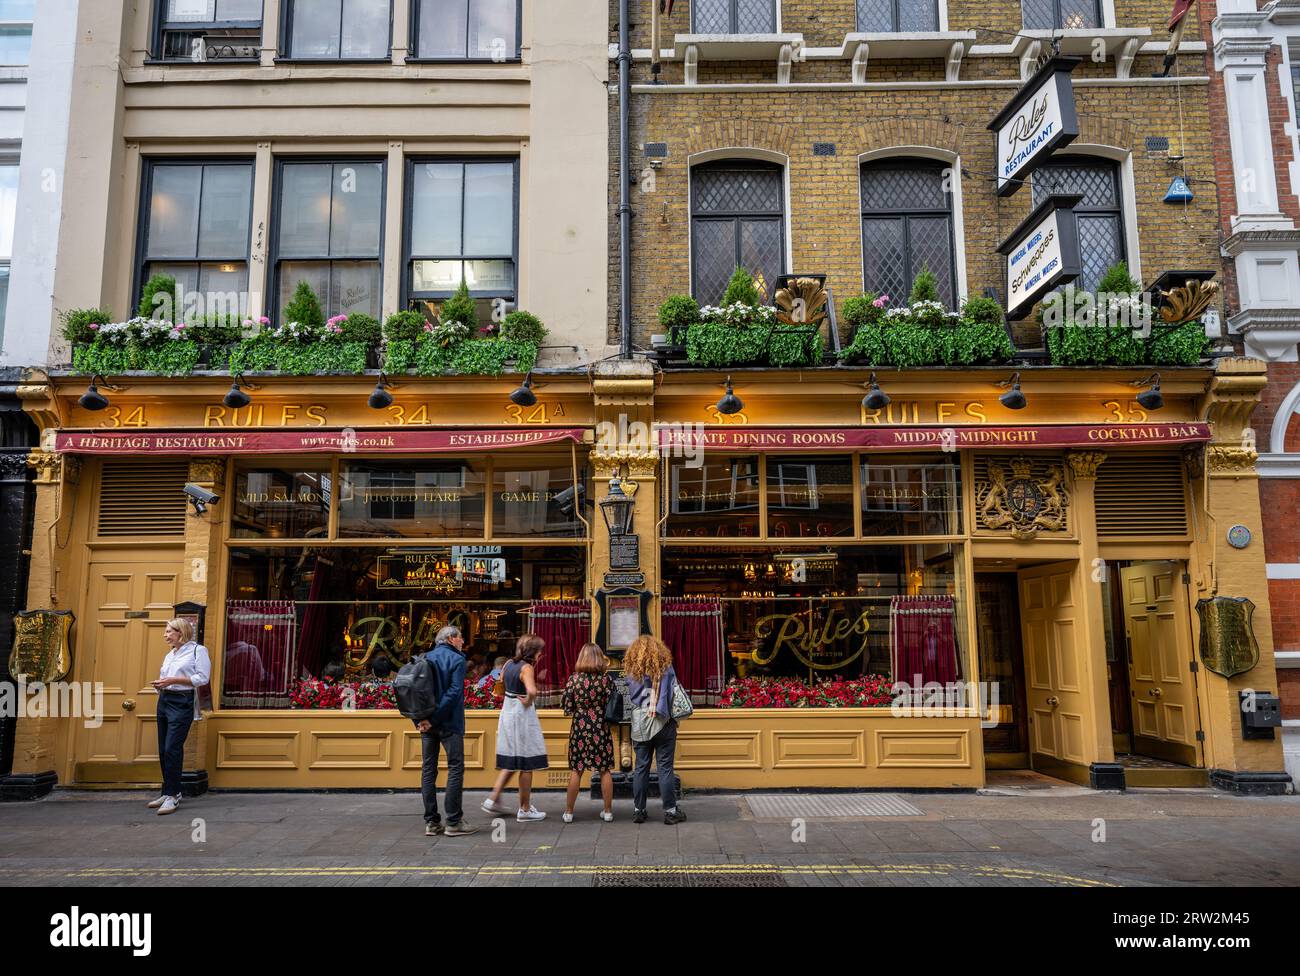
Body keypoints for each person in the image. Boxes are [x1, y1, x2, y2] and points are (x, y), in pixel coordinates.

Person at [415, 625, 479, 837]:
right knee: (455, 768)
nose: (463, 641)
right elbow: (453, 693)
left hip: (427, 723)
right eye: (461, 637)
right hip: (449, 723)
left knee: (428, 770)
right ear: (451, 638)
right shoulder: (457, 659)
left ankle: (432, 822)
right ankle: (453, 821)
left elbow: (414, 691)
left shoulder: (425, 657)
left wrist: (423, 720)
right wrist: (434, 719)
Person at [481, 632, 549, 822]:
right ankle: (525, 809)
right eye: (540, 651)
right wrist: (528, 701)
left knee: (512, 759)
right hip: (521, 717)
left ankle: (493, 799)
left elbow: (500, 686)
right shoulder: (527, 668)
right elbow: (532, 690)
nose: (541, 655)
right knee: (526, 762)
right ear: (534, 652)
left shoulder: (508, 663)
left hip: (507, 714)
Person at [148, 618, 211, 816]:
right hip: (165, 700)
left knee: (172, 748)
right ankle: (167, 791)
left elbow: (202, 678)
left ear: (180, 632)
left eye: (169, 632)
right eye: (166, 632)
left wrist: (174, 680)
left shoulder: (197, 651)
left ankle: (174, 795)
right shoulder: (170, 654)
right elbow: (166, 677)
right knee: (162, 748)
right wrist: (161, 684)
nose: (165, 635)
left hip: (182, 701)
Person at [624, 635, 685, 825]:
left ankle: (639, 811)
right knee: (665, 768)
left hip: (641, 722)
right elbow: (671, 693)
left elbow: (632, 696)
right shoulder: (666, 669)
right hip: (664, 722)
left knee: (641, 767)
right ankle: (670, 812)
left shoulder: (632, 671)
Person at [561, 643, 615, 823]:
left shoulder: (574, 679)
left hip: (580, 728)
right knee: (604, 770)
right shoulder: (606, 680)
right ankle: (607, 812)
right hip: (601, 727)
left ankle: (568, 812)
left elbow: (567, 707)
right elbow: (613, 705)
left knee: (577, 770)